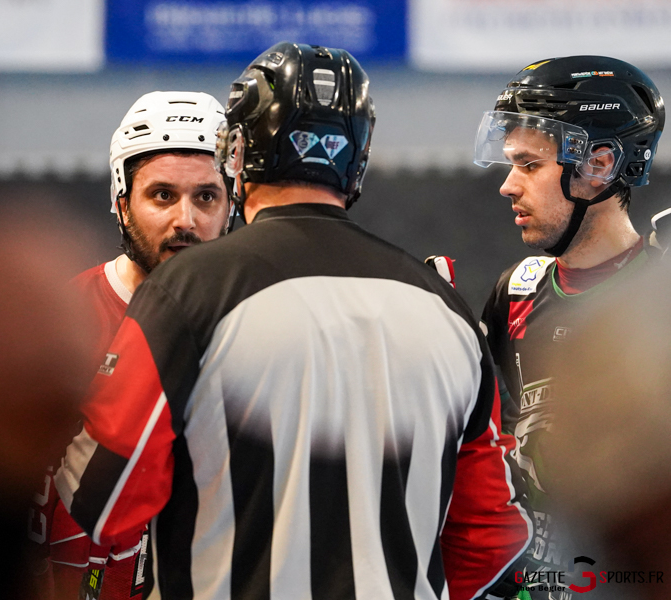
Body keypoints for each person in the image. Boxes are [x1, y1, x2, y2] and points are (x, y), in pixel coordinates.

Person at [53, 42, 531, 600]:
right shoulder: (447, 309)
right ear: (357, 159)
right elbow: (492, 537)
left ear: (239, 156)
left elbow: (103, 502)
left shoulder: (187, 290)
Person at [0, 90, 233, 599]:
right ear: (122, 204)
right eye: (163, 195)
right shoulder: (59, 321)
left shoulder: (252, 326)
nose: (185, 220)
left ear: (231, 206)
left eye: (206, 197)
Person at [474, 56, 665, 598]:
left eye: (529, 166)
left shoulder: (659, 303)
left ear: (600, 165)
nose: (508, 185)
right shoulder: (514, 291)